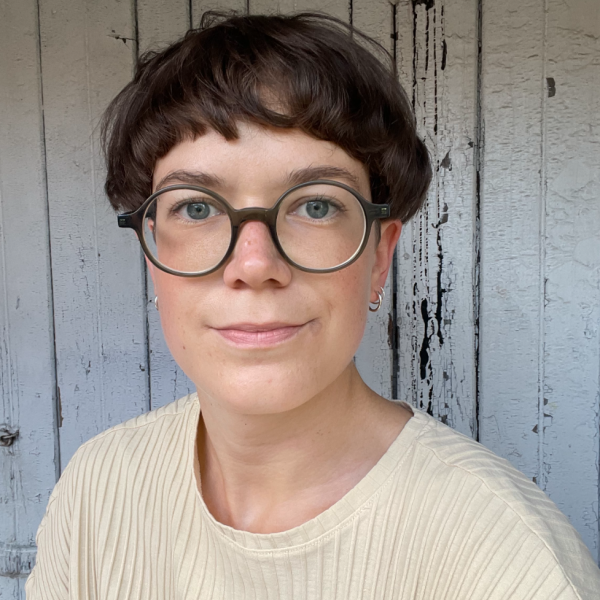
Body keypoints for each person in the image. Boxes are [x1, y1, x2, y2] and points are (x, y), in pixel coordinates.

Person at [25, 10, 600, 600]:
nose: (253, 264)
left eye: (316, 206)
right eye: (196, 207)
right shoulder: (100, 489)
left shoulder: (507, 556)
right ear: (151, 252)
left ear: (379, 255)